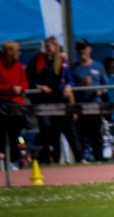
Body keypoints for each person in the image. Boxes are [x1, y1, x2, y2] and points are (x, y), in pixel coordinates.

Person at [26, 36, 83, 164]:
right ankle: (51, 158)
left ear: (56, 47)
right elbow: (30, 78)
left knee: (70, 129)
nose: (47, 49)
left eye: (49, 46)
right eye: (46, 46)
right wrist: (39, 86)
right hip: (43, 100)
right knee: (48, 129)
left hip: (60, 100)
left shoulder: (62, 62)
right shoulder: (37, 60)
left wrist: (68, 86)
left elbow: (69, 79)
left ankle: (80, 157)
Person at [0, 40, 29, 169]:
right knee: (2, 130)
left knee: (16, 132)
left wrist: (20, 88)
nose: (19, 53)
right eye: (17, 51)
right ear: (9, 52)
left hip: (17, 104)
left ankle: (15, 159)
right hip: (3, 103)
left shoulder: (19, 66)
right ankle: (1, 154)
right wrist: (10, 88)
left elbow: (25, 83)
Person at [69, 39, 106, 161]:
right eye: (79, 48)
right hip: (80, 106)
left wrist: (100, 91)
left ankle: (98, 158)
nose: (81, 51)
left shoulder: (98, 66)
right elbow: (69, 87)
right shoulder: (74, 68)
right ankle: (83, 159)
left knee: (97, 134)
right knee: (81, 134)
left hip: (96, 105)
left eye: (84, 48)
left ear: (90, 49)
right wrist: (81, 83)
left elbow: (106, 86)